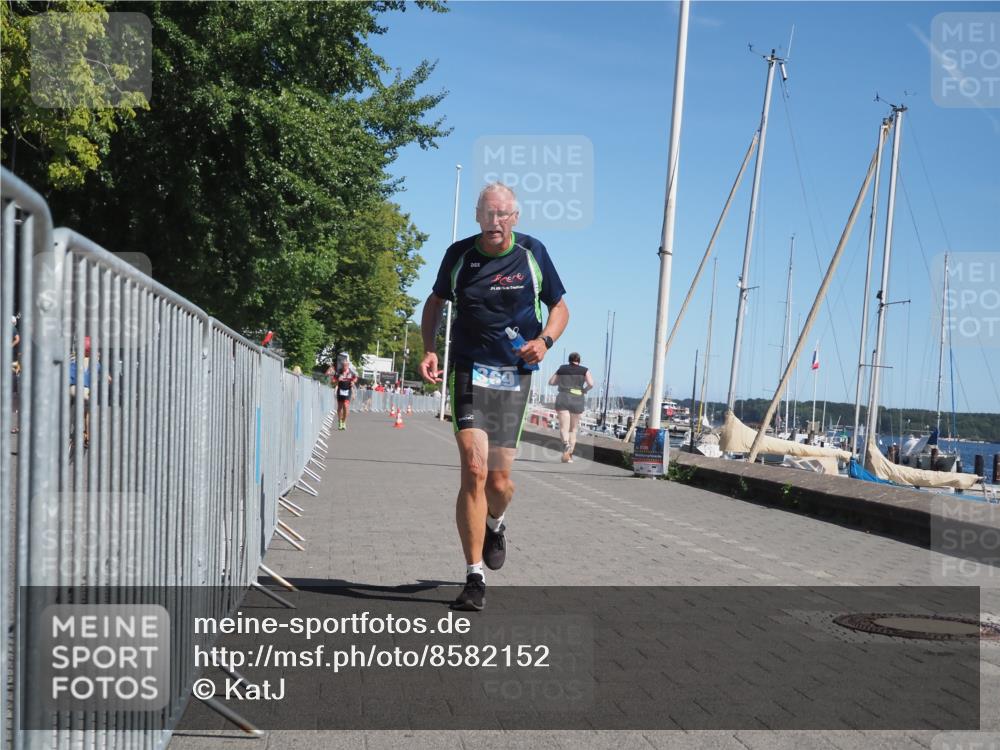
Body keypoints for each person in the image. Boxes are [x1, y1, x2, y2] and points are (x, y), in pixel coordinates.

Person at [419, 182, 569, 611]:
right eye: (489, 213)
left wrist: (545, 341)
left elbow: (559, 307)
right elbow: (434, 302)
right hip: (469, 370)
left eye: (504, 214)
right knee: (474, 469)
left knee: (500, 483)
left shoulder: (532, 253)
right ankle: (473, 577)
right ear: (478, 216)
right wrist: (430, 348)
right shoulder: (460, 255)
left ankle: (496, 523)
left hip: (514, 376)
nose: (496, 221)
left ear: (515, 218)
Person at [548, 352, 594, 463]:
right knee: (573, 430)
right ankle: (568, 457)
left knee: (564, 428)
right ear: (579, 360)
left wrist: (561, 382)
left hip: (563, 397)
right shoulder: (584, 370)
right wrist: (584, 390)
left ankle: (566, 444)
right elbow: (591, 384)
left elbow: (551, 382)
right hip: (577, 399)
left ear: (569, 360)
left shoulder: (562, 369)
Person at [333, 352, 357, 430]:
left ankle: (343, 421)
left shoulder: (351, 372)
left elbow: (355, 378)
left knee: (346, 407)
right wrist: (337, 380)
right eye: (343, 365)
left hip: (347, 391)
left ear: (348, 365)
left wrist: (353, 383)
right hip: (340, 391)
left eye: (346, 365)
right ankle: (340, 421)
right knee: (339, 407)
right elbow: (333, 381)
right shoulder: (338, 372)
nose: (345, 366)